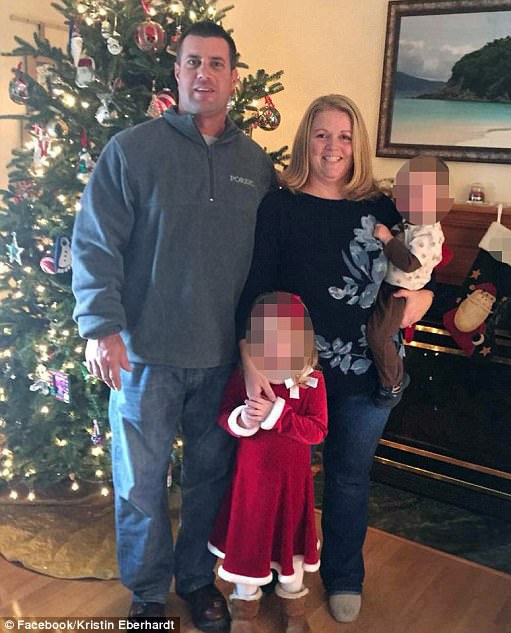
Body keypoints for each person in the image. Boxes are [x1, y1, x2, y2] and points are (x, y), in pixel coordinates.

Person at [71, 21, 275, 628]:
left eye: (216, 64)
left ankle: (196, 580)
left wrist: (261, 349)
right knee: (140, 484)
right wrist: (101, 328)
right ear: (177, 72)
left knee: (210, 478)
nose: (203, 74)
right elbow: (95, 243)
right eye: (193, 62)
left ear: (233, 77)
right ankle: (148, 593)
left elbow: (268, 264)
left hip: (221, 358)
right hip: (144, 356)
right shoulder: (132, 151)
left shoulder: (255, 165)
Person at [235, 94, 435, 623]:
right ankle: (275, 573)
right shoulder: (279, 206)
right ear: (307, 140)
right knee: (285, 479)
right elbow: (256, 290)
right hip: (294, 377)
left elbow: (420, 270)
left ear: (357, 144)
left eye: (344, 136)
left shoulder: (382, 208)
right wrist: (250, 362)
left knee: (349, 477)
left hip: (368, 374)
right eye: (322, 134)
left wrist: (426, 299)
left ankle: (345, 575)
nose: (333, 146)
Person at [208, 292, 327, 633]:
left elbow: (317, 431)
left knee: (292, 551)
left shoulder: (313, 381)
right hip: (252, 485)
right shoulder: (245, 377)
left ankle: (295, 611)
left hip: (292, 489)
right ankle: (244, 610)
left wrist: (278, 415)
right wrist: (243, 419)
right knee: (249, 543)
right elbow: (224, 415)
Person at [368, 156, 452, 408]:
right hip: (390, 287)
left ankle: (393, 382)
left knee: (379, 335)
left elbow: (413, 262)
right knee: (378, 332)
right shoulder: (410, 221)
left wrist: (428, 293)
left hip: (398, 292)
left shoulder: (427, 230)